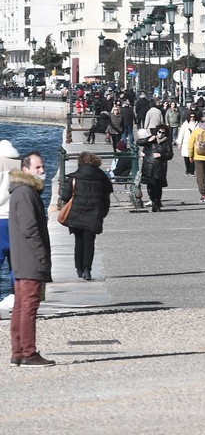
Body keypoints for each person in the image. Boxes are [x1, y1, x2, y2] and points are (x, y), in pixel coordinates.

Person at [8, 149, 53, 367]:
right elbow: (30, 228)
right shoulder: (26, 193)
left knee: (20, 306)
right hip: (29, 259)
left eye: (43, 166)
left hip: (22, 258)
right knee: (28, 306)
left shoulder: (20, 191)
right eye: (38, 167)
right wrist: (41, 255)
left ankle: (18, 351)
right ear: (25, 170)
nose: (42, 170)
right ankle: (28, 352)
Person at [60, 151, 113, 280]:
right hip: (94, 214)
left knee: (79, 241)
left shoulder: (74, 177)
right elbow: (106, 197)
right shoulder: (102, 178)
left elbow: (65, 196)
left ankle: (78, 268)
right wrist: (103, 213)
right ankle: (87, 269)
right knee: (89, 242)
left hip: (76, 214)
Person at [139, 126, 173, 212]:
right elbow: (139, 142)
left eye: (163, 133)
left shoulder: (166, 142)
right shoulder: (151, 139)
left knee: (157, 185)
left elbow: (170, 155)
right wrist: (148, 140)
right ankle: (153, 200)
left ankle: (156, 201)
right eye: (159, 132)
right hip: (148, 165)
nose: (160, 134)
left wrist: (161, 155)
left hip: (159, 166)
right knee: (150, 184)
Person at [0, 141, 17, 302]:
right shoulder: (20, 163)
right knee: (18, 262)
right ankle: (16, 298)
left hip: (0, 218)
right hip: (17, 219)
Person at [176, 110, 199, 176]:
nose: (192, 118)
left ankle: (192, 171)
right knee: (186, 157)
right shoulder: (185, 124)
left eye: (193, 116)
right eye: (191, 116)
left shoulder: (197, 124)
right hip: (186, 143)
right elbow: (181, 134)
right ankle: (187, 169)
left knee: (193, 157)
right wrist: (179, 143)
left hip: (195, 143)